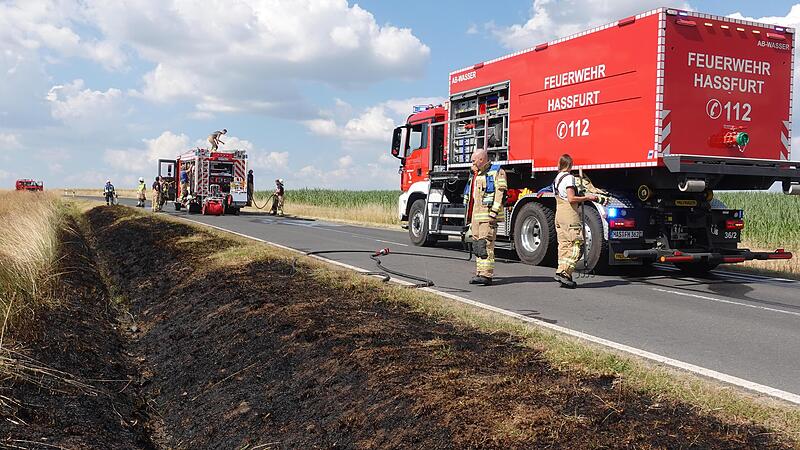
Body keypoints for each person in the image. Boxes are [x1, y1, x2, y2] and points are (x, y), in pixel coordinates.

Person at [553, 154, 598, 289]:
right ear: (570, 165)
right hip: (569, 214)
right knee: (576, 244)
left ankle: (563, 272)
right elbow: (571, 198)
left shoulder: (557, 178)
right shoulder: (569, 178)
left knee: (564, 245)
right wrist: (587, 197)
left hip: (559, 213)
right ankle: (564, 272)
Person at [464, 149, 507, 286]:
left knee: (486, 245)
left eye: (474, 160)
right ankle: (480, 272)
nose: (472, 163)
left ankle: (486, 274)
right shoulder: (477, 174)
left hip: (488, 217)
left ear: (481, 159)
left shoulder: (497, 172)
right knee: (477, 245)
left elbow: (499, 194)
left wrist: (494, 212)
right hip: (477, 217)